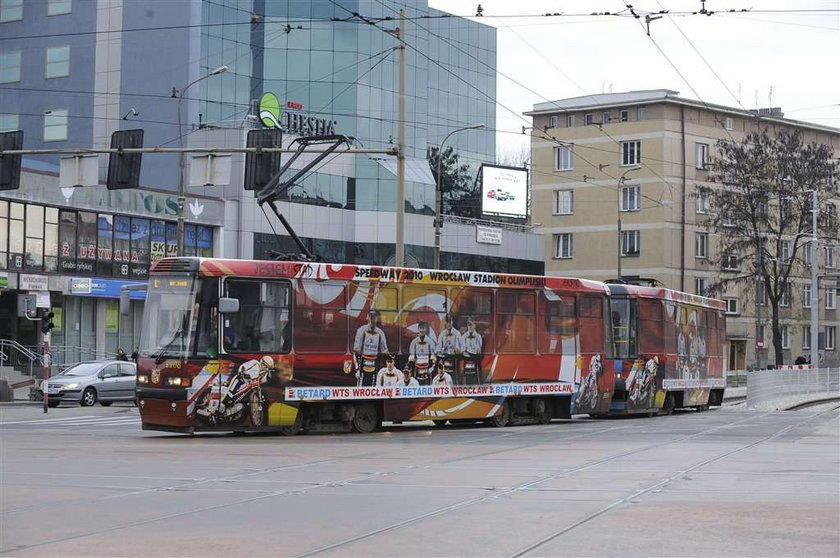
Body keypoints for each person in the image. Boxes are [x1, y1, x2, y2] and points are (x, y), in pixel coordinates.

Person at [352, 310, 389, 386]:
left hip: (375, 362)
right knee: (361, 386)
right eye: (371, 317)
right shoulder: (361, 330)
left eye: (374, 318)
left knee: (373, 385)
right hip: (363, 362)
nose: (372, 320)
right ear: (368, 318)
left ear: (377, 319)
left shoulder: (380, 333)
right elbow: (356, 349)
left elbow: (385, 350)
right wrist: (357, 368)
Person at [437, 314, 464, 384]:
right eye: (447, 322)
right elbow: (438, 348)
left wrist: (459, 350)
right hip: (445, 357)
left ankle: (456, 385)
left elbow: (463, 346)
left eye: (450, 321)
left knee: (456, 374)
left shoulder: (457, 333)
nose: (448, 324)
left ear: (452, 322)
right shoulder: (442, 334)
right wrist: (440, 351)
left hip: (454, 357)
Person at [408, 321, 436, 385]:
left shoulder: (430, 342)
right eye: (420, 328)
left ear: (426, 329)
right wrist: (412, 362)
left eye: (423, 328)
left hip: (427, 368)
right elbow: (411, 356)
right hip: (417, 368)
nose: (422, 330)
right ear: (418, 329)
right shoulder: (414, 342)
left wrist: (430, 369)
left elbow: (433, 356)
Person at [461, 317, 483, 384]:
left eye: (471, 324)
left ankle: (479, 383)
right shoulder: (464, 336)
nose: (470, 327)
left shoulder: (478, 337)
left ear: (474, 325)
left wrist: (470, 352)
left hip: (475, 359)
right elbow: (463, 350)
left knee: (478, 367)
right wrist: (470, 353)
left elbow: (478, 350)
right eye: (468, 325)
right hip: (467, 358)